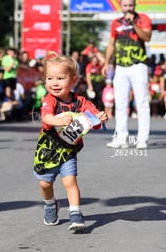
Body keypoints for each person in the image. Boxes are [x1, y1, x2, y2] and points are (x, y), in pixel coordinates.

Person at [33, 53, 108, 231]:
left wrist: (100, 117)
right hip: (48, 149)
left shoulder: (80, 102)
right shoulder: (49, 100)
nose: (54, 83)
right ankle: (51, 204)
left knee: (70, 181)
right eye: (49, 78)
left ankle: (75, 213)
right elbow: (46, 117)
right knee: (45, 184)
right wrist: (58, 120)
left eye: (60, 78)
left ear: (73, 80)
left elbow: (93, 118)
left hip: (68, 150)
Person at [102, 0, 152, 149]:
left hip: (138, 65)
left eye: (131, 5)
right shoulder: (116, 23)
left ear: (134, 5)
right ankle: (121, 137)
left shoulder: (143, 18)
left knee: (142, 102)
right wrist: (106, 62)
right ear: (121, 6)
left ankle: (142, 139)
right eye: (125, 5)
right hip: (121, 67)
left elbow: (147, 37)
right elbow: (111, 44)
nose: (128, 8)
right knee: (121, 103)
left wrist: (134, 25)